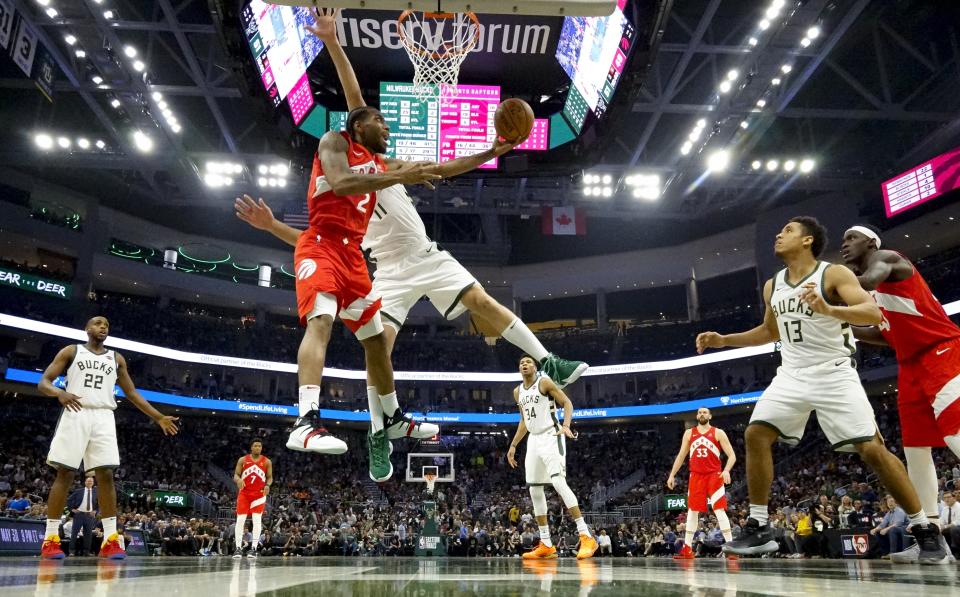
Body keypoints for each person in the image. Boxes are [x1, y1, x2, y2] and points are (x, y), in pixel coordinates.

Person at [235, 11, 587, 395]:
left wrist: (490, 150)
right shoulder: (346, 176)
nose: (382, 126)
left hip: (425, 254)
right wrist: (271, 226)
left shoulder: (382, 163)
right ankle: (379, 436)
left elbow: (442, 166)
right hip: (387, 270)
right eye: (375, 123)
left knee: (480, 299)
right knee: (380, 349)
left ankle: (549, 359)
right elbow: (311, 240)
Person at [695, 217, 946, 562]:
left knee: (872, 450)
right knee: (755, 433)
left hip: (834, 373)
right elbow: (770, 331)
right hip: (792, 374)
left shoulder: (834, 274)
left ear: (808, 240)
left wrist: (829, 309)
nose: (779, 235)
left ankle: (923, 529)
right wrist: (724, 340)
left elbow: (872, 312)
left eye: (787, 231)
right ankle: (758, 525)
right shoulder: (773, 285)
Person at [841, 224, 960, 562]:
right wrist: (839, 322)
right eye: (843, 241)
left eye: (852, 238)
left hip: (942, 350)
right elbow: (883, 333)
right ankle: (932, 538)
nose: (846, 245)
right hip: (910, 366)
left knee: (955, 435)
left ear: (871, 242)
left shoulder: (886, 259)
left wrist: (828, 297)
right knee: (915, 451)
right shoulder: (874, 296)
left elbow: (863, 282)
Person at [38, 316, 179, 560]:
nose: (103, 327)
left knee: (106, 474)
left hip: (104, 415)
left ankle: (111, 540)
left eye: (106, 325)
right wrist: (59, 393)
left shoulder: (116, 358)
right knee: (66, 473)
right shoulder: (71, 351)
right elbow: (43, 382)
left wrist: (158, 417)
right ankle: (50, 539)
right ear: (87, 329)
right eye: (98, 323)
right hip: (76, 411)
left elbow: (132, 393)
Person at [506, 356, 598, 560]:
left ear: (535, 367)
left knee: (558, 481)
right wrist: (513, 445)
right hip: (533, 439)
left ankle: (586, 536)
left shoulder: (544, 382)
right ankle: (546, 544)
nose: (524, 364)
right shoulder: (517, 391)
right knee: (534, 488)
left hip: (551, 434)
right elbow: (523, 421)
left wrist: (565, 426)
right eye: (521, 362)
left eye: (528, 361)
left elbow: (567, 403)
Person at [666, 407, 737, 559]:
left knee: (719, 510)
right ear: (697, 416)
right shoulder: (689, 433)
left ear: (710, 416)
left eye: (705, 412)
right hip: (696, 476)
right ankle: (687, 549)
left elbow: (732, 456)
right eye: (699, 412)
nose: (702, 414)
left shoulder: (718, 432)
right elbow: (681, 456)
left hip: (714, 475)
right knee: (692, 511)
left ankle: (731, 548)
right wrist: (672, 474)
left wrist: (726, 470)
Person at [233, 439, 272, 559]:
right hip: (244, 494)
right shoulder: (243, 460)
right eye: (255, 446)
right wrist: (238, 480)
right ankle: (238, 548)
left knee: (256, 520)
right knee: (240, 520)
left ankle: (254, 548)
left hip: (259, 495)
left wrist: (267, 485)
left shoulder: (266, 461)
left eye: (260, 446)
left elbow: (270, 478)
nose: (258, 448)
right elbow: (236, 475)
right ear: (251, 447)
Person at [67, 476, 97, 556]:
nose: (90, 482)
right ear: (85, 482)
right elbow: (69, 500)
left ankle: (86, 551)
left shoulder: (96, 492)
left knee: (88, 535)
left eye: (91, 481)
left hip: (89, 516)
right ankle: (71, 551)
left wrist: (95, 510)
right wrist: (72, 509)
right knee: (74, 533)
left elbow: (99, 503)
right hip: (79, 514)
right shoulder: (79, 491)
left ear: (93, 483)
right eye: (88, 481)